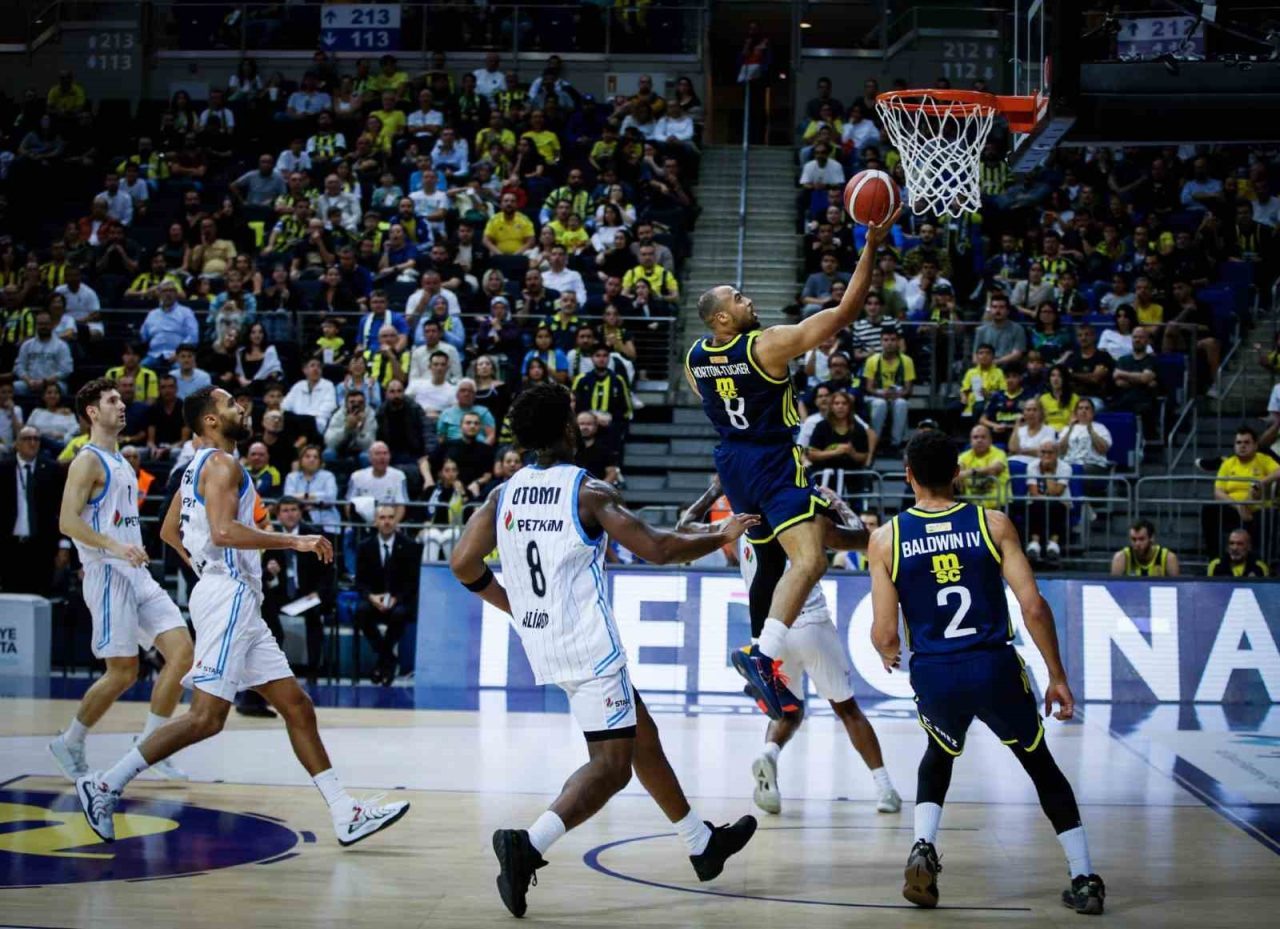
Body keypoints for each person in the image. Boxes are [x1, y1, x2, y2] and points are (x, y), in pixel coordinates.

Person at [449, 383, 759, 918]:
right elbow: (657, 549)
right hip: (589, 646)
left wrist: (515, 607)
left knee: (642, 736)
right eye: (572, 417)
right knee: (613, 766)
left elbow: (462, 563)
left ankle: (701, 844)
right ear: (565, 429)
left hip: (544, 641)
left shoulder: (504, 494)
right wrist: (721, 535)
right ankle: (528, 844)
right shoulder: (587, 491)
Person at [73, 386, 409, 846]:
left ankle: (343, 811)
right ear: (211, 420)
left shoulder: (197, 465)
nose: (241, 408)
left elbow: (170, 531)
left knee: (296, 705)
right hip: (229, 596)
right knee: (206, 718)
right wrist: (293, 541)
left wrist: (204, 569)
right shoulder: (221, 464)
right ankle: (105, 785)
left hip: (233, 597)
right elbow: (224, 531)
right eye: (231, 404)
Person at [868, 429, 1105, 915]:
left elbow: (885, 633)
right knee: (1039, 764)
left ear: (909, 476)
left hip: (936, 671)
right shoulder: (992, 523)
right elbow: (1033, 607)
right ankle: (1083, 877)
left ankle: (923, 847)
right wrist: (1057, 675)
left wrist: (887, 654)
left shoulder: (886, 538)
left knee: (938, 753)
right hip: (993, 665)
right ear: (957, 473)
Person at [686, 206, 898, 719]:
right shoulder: (768, 345)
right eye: (739, 298)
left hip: (733, 462)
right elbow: (844, 313)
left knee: (769, 562)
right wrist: (870, 246)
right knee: (810, 560)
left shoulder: (694, 357)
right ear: (722, 318)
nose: (749, 300)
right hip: (774, 459)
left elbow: (711, 397)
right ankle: (761, 656)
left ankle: (764, 661)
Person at [679, 479, 900, 815]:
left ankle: (768, 753)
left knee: (789, 710)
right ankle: (885, 789)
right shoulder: (805, 520)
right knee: (848, 710)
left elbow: (684, 526)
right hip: (810, 624)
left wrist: (715, 490)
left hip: (770, 634)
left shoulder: (739, 524)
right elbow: (862, 538)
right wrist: (838, 503)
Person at [48, 380, 194, 783]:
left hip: (137, 573)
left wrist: (130, 545)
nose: (121, 404)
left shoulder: (123, 461)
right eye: (112, 400)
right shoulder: (86, 460)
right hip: (108, 573)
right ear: (92, 412)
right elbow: (67, 521)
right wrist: (115, 546)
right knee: (123, 672)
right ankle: (70, 742)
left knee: (183, 654)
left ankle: (152, 745)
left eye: (121, 399)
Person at [264, 496, 335, 680]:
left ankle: (313, 670)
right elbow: (259, 572)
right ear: (278, 515)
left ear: (301, 513)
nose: (290, 514)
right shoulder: (269, 538)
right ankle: (272, 671)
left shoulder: (314, 536)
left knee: (315, 616)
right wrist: (269, 571)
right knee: (265, 612)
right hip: (279, 593)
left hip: (307, 594)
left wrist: (317, 593)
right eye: (285, 510)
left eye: (294, 510)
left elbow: (328, 571)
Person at [355, 505, 421, 684]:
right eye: (382, 518)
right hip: (374, 599)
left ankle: (382, 663)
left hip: (399, 600)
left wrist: (395, 598)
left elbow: (412, 582)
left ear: (396, 520)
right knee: (361, 611)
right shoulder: (365, 546)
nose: (387, 522)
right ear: (376, 521)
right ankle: (389, 659)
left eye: (391, 517)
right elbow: (359, 582)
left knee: (400, 614)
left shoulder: (410, 546)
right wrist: (371, 597)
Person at [0, 426, 63, 596]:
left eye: (36, 439)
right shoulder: (3, 469)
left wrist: (63, 545)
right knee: (10, 597)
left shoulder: (51, 469)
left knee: (40, 596)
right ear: (17, 444)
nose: (32, 443)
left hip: (42, 547)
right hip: (9, 546)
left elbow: (62, 509)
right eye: (27, 439)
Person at [861, 329, 914, 450]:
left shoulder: (907, 361)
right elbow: (868, 387)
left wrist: (897, 394)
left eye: (893, 340)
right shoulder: (872, 360)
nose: (889, 343)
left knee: (901, 403)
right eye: (886, 340)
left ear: (898, 342)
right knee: (880, 404)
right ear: (881, 342)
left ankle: (896, 443)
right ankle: (874, 442)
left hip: (897, 394)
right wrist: (882, 394)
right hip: (877, 395)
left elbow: (908, 389)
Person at [1024, 441, 1072, 566]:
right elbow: (1033, 492)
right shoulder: (1032, 466)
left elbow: (1057, 492)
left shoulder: (1065, 468)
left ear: (1057, 454)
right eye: (1043, 452)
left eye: (1050, 452)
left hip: (1060, 502)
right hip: (1037, 502)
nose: (1046, 456)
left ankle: (1053, 546)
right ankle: (1034, 545)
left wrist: (1048, 473)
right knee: (1037, 506)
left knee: (1055, 506)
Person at [957, 424, 1009, 508]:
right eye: (975, 437)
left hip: (998, 507)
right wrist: (958, 473)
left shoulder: (999, 453)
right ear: (970, 441)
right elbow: (957, 471)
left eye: (983, 437)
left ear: (990, 440)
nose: (979, 440)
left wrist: (970, 472)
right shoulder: (964, 456)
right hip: (972, 507)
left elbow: (994, 469)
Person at [1111, 519, 1180, 577]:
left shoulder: (1168, 558)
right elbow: (1114, 586)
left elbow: (1176, 586)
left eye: (1141, 539)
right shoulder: (1121, 557)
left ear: (1152, 538)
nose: (1137, 544)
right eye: (1134, 539)